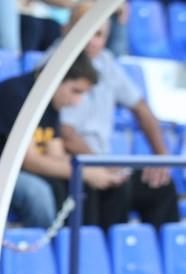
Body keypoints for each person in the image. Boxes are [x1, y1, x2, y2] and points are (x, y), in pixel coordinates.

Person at [0, 51, 125, 228]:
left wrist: (95, 171)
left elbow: (56, 155)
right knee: (46, 190)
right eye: (76, 91)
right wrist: (85, 173)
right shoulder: (15, 95)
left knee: (84, 184)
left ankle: (88, 244)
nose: (77, 101)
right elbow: (30, 161)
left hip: (11, 170)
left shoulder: (49, 101)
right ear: (56, 78)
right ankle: (49, 249)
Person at [58, 3, 180, 230]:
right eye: (86, 31)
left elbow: (141, 108)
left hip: (104, 163)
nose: (92, 41)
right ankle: (103, 256)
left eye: (99, 34)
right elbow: (65, 134)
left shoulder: (106, 62)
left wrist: (161, 158)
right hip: (71, 166)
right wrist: (103, 165)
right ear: (67, 29)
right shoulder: (53, 65)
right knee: (116, 186)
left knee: (161, 186)